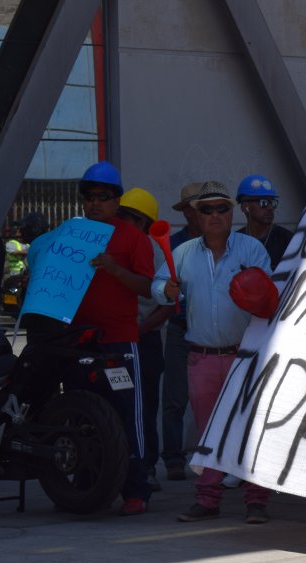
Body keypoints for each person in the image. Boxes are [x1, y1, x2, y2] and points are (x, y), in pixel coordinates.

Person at [153, 181, 274, 524]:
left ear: (232, 212)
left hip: (246, 355)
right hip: (202, 355)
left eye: (222, 208)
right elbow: (157, 287)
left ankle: (256, 499)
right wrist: (166, 288)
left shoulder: (250, 249)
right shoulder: (182, 254)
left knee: (251, 427)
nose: (216, 215)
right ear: (196, 215)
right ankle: (208, 498)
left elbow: (269, 295)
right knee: (207, 431)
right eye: (207, 210)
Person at [60, 161, 155, 515]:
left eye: (103, 197)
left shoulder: (134, 239)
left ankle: (137, 489)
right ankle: (85, 485)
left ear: (117, 201)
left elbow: (148, 288)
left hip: (118, 341)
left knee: (128, 415)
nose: (95, 203)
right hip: (76, 341)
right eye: (89, 197)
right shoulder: (70, 234)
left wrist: (115, 269)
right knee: (80, 411)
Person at [117, 187, 171, 492]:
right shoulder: (115, 246)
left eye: (131, 218)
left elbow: (168, 305)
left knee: (145, 407)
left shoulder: (156, 252)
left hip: (144, 341)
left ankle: (147, 466)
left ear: (145, 224)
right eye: (121, 215)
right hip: (117, 340)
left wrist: (141, 330)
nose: (124, 221)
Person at [160, 182, 205, 481]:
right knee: (175, 398)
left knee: (212, 399)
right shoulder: (174, 243)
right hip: (180, 328)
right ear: (187, 211)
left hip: (212, 331)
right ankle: (174, 458)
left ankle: (214, 458)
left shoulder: (225, 242)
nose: (199, 213)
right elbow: (160, 286)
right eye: (194, 207)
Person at [236, 174, 294, 269]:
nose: (270, 207)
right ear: (245, 206)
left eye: (273, 203)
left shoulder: (287, 240)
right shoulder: (234, 242)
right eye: (264, 203)